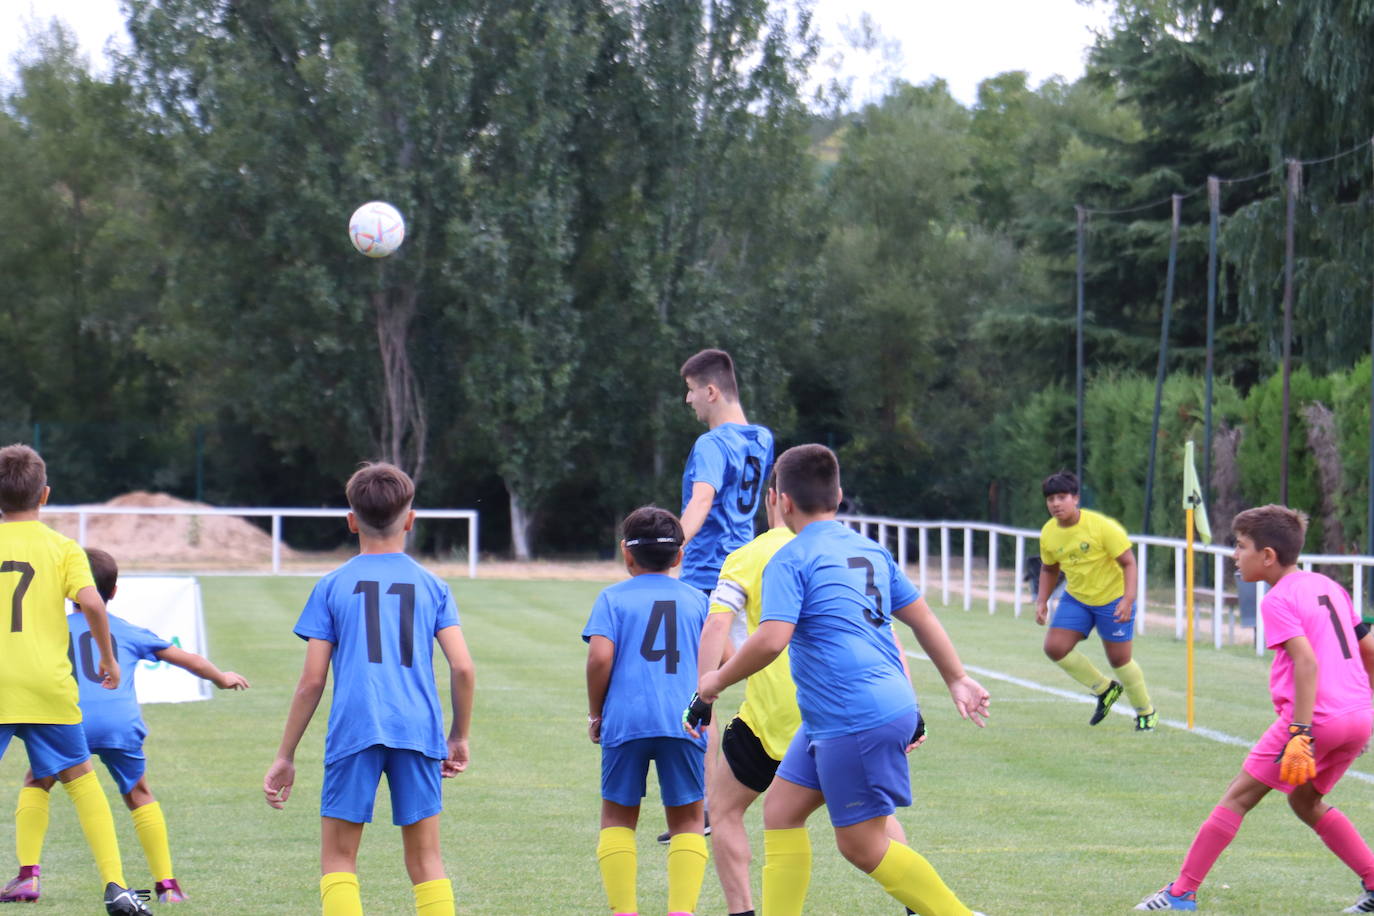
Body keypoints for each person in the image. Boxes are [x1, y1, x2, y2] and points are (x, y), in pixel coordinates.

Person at [697, 444, 991, 916]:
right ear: (838, 494)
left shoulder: (791, 559)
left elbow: (772, 639)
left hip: (853, 715)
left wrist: (714, 682)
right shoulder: (869, 548)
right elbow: (921, 617)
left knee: (859, 845)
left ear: (782, 502)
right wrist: (956, 677)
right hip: (842, 713)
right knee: (782, 812)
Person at [1136, 505, 1374, 913]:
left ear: (1267, 556)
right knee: (1304, 801)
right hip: (1358, 714)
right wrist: (1360, 714)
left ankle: (1181, 894)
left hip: (1314, 720)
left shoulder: (1277, 599)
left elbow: (1307, 663)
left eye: (1241, 546)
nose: (1234, 555)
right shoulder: (1327, 585)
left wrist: (1300, 732)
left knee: (1236, 799)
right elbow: (1368, 647)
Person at [263, 462, 475, 916]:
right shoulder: (433, 586)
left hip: (355, 727)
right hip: (417, 729)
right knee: (426, 860)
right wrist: (457, 735)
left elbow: (313, 681)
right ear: (411, 519)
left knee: (339, 859)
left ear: (351, 520)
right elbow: (462, 667)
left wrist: (285, 754)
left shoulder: (331, 586)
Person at [0, 547, 249, 904]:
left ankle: (28, 877)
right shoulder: (127, 630)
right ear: (114, 591)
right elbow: (187, 658)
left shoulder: (50, 629)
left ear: (68, 589)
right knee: (138, 793)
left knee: (37, 781)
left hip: (69, 720)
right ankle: (168, 885)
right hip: (120, 725)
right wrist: (221, 678)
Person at [0, 444, 151, 915]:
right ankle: (116, 886)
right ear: (44, 495)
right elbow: (92, 604)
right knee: (82, 778)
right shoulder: (63, 548)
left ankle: (29, 877)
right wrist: (108, 659)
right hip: (47, 684)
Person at [584, 506, 711, 916]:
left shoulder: (612, 598)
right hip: (685, 723)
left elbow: (600, 658)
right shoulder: (697, 599)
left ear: (627, 553)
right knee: (689, 820)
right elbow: (722, 657)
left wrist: (595, 712)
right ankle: (680, 911)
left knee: (618, 818)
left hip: (626, 720)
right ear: (679, 556)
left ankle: (624, 910)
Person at [1035, 470, 1156, 731]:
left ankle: (1146, 712)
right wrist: (1042, 600)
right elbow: (1049, 568)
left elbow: (1128, 563)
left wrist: (1128, 599)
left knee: (1119, 660)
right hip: (1077, 599)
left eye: (1061, 497)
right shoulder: (1048, 533)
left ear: (1075, 498)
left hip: (1112, 599)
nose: (1055, 503)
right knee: (1054, 647)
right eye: (1050, 499)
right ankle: (1105, 689)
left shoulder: (1102, 527)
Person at [679, 348, 775, 594]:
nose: (688, 399)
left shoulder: (711, 443)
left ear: (711, 392)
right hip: (745, 572)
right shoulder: (762, 440)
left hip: (706, 575)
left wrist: (670, 549)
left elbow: (701, 501)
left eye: (691, 389)